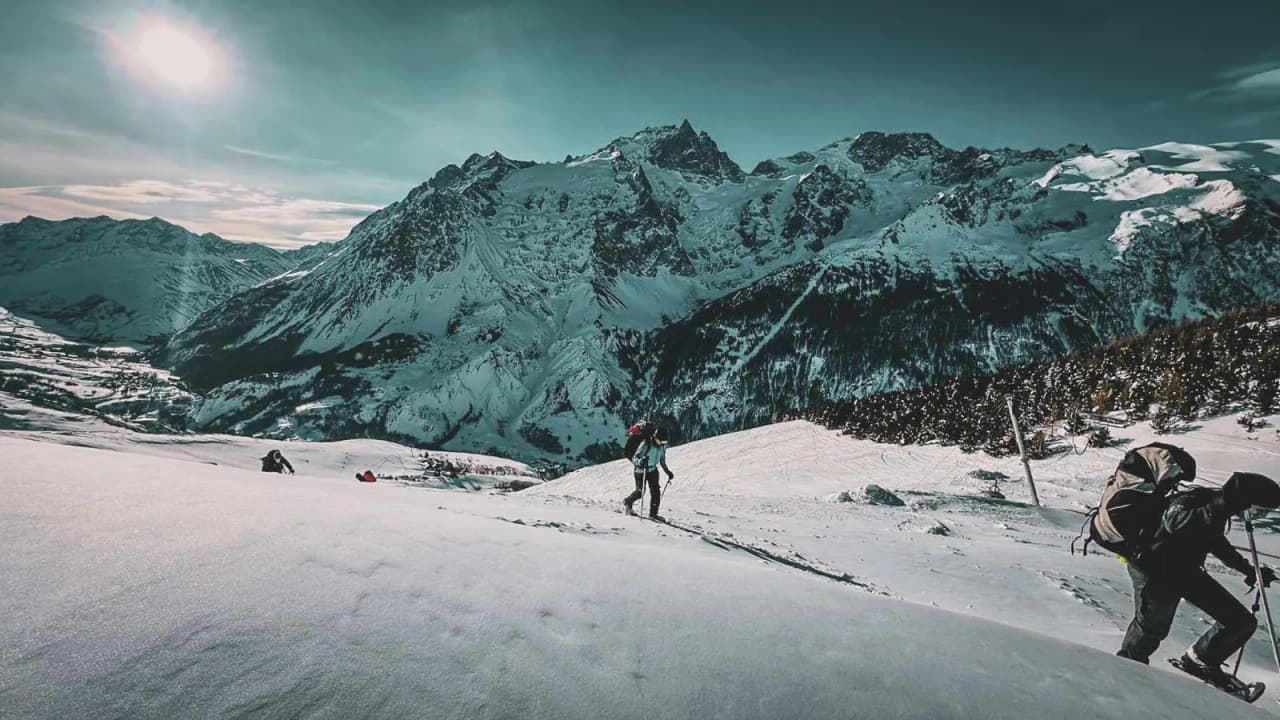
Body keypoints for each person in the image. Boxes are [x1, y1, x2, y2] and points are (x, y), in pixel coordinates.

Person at [1117, 470, 1280, 687]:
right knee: (1151, 629)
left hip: (1185, 570)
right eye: (1259, 510)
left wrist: (1249, 570)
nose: (1258, 515)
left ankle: (1200, 660)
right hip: (1154, 569)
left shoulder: (1219, 509)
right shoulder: (1194, 502)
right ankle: (1125, 674)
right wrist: (1219, 508)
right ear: (1244, 500)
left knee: (1240, 621)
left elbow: (1216, 543)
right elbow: (1175, 522)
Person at [624, 426, 674, 519]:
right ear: (656, 437)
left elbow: (662, 460)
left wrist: (668, 472)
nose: (663, 443)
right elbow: (635, 457)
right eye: (662, 441)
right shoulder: (646, 443)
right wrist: (641, 462)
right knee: (640, 492)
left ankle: (653, 514)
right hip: (640, 471)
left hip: (653, 470)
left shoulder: (662, 447)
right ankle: (628, 502)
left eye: (665, 442)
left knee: (656, 492)